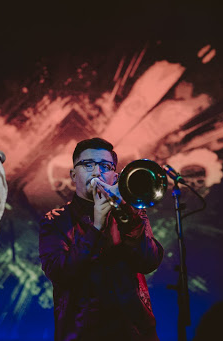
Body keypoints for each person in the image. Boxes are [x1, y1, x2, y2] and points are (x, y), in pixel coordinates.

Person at [39, 137, 164, 341]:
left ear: (115, 175)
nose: (97, 172)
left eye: (105, 166)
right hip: (81, 333)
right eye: (88, 165)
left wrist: (129, 216)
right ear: (73, 174)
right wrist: (96, 226)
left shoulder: (131, 212)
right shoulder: (55, 220)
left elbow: (150, 261)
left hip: (134, 331)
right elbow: (60, 273)